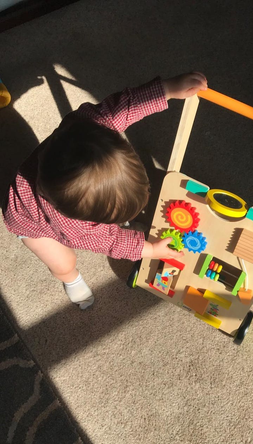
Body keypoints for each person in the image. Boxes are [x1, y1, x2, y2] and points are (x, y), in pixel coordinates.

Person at [2, 72, 208, 309]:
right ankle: (71, 279)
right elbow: (111, 242)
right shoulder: (74, 227)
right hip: (30, 223)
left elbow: (123, 107)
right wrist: (150, 248)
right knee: (64, 262)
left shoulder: (88, 124)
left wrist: (167, 89)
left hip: (43, 179)